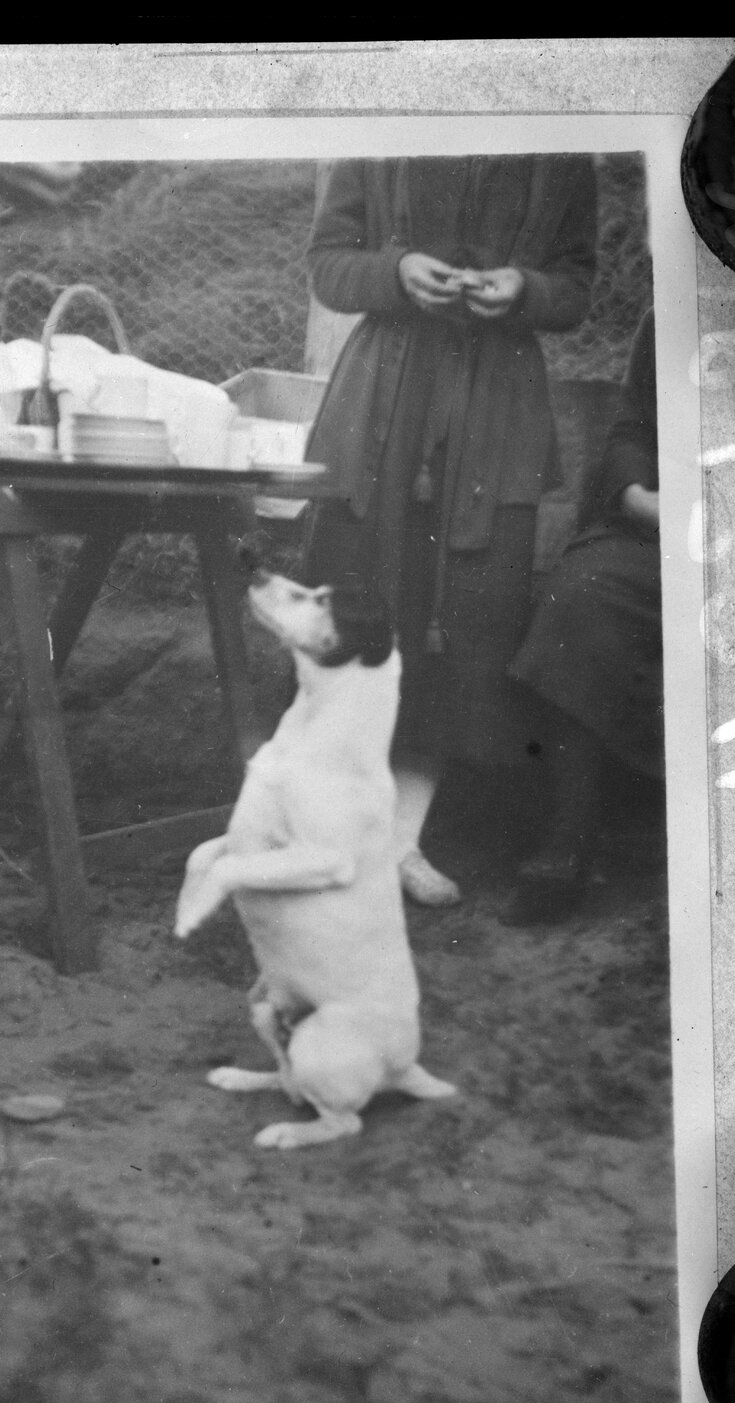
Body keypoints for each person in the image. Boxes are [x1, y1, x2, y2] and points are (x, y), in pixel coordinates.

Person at [301, 155, 598, 906]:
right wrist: (397, 273)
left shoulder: (560, 150)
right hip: (383, 403)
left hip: (496, 406)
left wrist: (524, 289)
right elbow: (328, 266)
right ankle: (331, 834)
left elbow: (575, 285)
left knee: (466, 622)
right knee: (358, 600)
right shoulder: (382, 129)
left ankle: (401, 840)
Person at [503, 306, 660, 924]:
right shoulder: (678, 309)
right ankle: (568, 841)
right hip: (677, 527)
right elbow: (633, 427)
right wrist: (634, 494)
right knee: (580, 597)